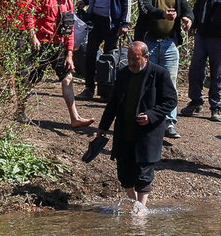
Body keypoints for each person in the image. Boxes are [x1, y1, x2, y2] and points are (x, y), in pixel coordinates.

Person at [95, 41, 179, 216]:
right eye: (129, 58)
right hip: (124, 130)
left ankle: (141, 207)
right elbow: (112, 104)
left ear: (146, 57)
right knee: (124, 172)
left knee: (144, 171)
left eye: (136, 58)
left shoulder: (159, 74)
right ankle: (134, 203)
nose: (132, 62)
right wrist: (102, 128)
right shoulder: (123, 73)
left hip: (147, 133)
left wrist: (152, 115)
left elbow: (171, 101)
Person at [15, 0, 97, 128]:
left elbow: (70, 28)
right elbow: (28, 14)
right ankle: (20, 112)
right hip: (41, 45)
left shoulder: (69, 3)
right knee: (30, 79)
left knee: (68, 78)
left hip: (59, 46)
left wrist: (70, 54)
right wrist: (33, 37)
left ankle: (75, 118)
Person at [131, 0, 192, 137]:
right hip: (148, 43)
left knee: (170, 84)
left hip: (169, 43)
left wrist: (188, 18)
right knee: (146, 82)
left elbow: (186, 8)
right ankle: (145, 119)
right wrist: (163, 14)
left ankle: (169, 123)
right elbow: (146, 8)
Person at [181, 0, 221, 119]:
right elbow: (198, 6)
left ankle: (216, 106)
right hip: (202, 33)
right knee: (195, 69)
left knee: (219, 73)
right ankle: (196, 102)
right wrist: (194, 24)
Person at [75, 0, 130, 99]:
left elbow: (126, 3)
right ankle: (89, 88)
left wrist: (125, 23)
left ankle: (106, 90)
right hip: (95, 21)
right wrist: (85, 2)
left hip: (112, 23)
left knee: (109, 57)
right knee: (90, 53)